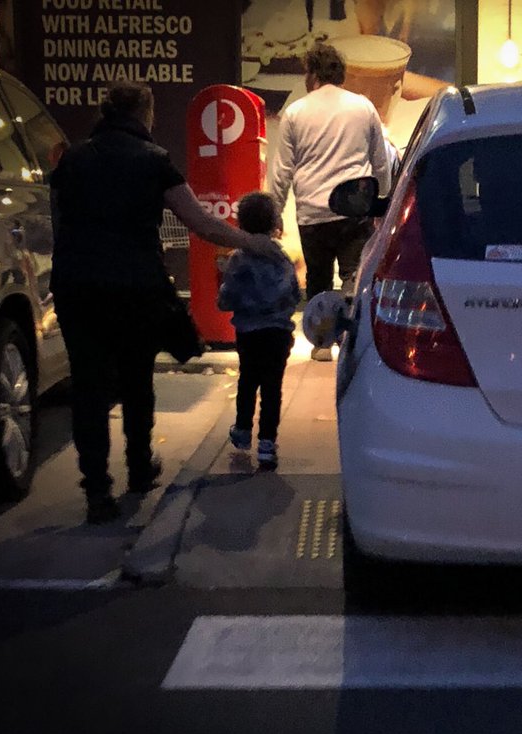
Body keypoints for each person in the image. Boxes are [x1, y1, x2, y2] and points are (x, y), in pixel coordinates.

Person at [50, 81, 286, 524]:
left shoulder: (74, 158)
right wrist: (251, 243)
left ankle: (97, 491)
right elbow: (201, 224)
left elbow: (58, 219)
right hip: (133, 285)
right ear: (146, 113)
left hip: (76, 285)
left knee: (89, 384)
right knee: (138, 378)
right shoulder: (153, 161)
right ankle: (140, 469)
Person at [271, 42, 392, 361]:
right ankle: (353, 341)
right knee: (354, 273)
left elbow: (282, 169)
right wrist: (382, 203)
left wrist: (273, 212)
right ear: (340, 74)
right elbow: (381, 162)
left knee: (319, 277)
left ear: (311, 74)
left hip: (313, 210)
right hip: (355, 206)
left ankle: (322, 343)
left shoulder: (295, 112)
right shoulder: (363, 107)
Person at [218, 192, 301, 470]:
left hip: (248, 332)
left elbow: (227, 298)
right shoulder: (283, 259)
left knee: (248, 380)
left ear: (240, 223)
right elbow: (293, 294)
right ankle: (267, 444)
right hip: (277, 333)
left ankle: (242, 431)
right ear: (274, 223)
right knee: (272, 387)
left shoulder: (238, 260)